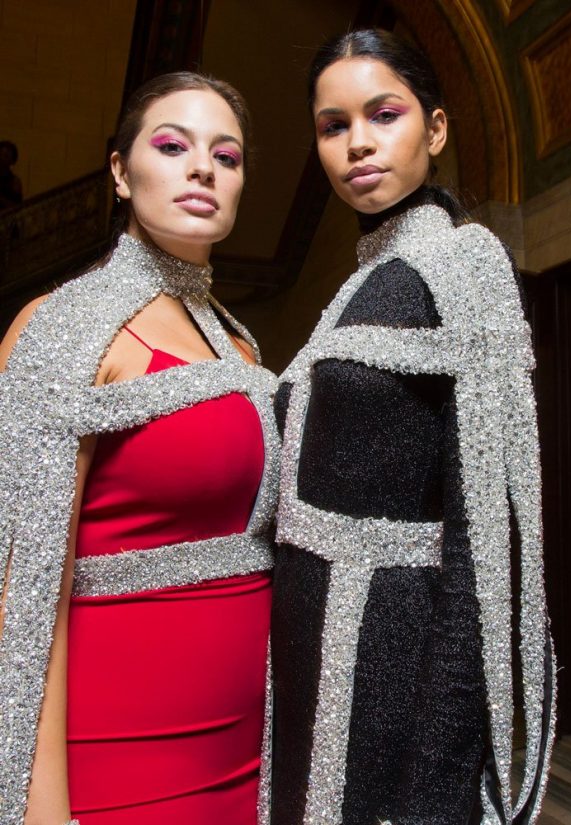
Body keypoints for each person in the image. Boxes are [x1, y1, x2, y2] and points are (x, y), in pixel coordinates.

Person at [271, 29, 555, 825]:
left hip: (394, 672)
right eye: (333, 126)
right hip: (308, 676)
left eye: (383, 114)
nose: (357, 142)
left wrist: (434, 787)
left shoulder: (464, 262)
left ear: (434, 128)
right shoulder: (355, 286)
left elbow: (487, 554)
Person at [0, 72, 280, 825]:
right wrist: (37, 811)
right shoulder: (63, 324)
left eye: (227, 156)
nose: (202, 169)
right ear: (121, 172)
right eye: (172, 145)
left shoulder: (243, 343)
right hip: (125, 755)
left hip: (251, 751)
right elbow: (22, 598)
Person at [0, 139, 23, 209]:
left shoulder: (15, 182)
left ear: (12, 161)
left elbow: (17, 207)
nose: (1, 158)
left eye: (6, 156)